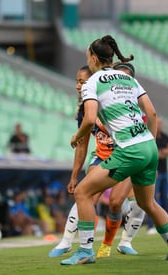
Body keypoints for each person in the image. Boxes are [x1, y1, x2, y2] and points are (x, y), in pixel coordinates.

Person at [60, 35, 168, 265]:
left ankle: (86, 251)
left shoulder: (93, 82)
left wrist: (76, 136)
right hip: (149, 147)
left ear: (93, 57)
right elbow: (153, 113)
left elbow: (89, 119)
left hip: (128, 149)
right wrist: (149, 139)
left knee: (82, 192)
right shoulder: (128, 78)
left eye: (88, 55)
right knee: (148, 203)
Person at [49, 65, 145, 258]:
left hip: (127, 155)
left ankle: (121, 242)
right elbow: (82, 145)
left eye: (82, 82)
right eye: (77, 82)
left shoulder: (130, 107)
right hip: (102, 156)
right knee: (86, 193)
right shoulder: (88, 107)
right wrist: (74, 175)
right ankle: (67, 241)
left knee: (121, 203)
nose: (78, 86)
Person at [146, 116, 168, 234]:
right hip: (154, 173)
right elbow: (152, 154)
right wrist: (164, 152)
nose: (160, 126)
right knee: (152, 199)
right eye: (158, 123)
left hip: (164, 172)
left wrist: (162, 152)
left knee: (164, 198)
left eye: (161, 123)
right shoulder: (150, 137)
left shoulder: (165, 137)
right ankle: (151, 225)